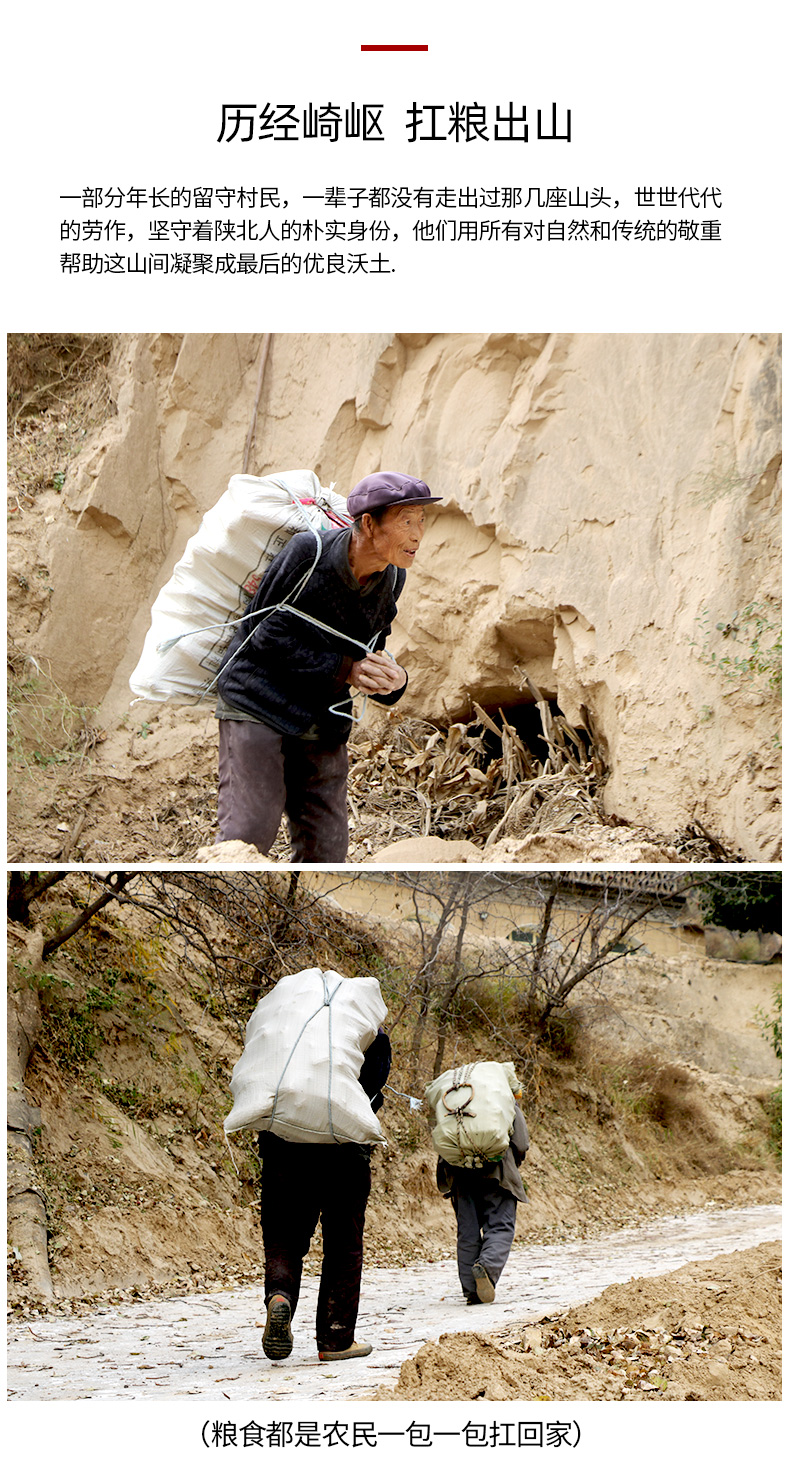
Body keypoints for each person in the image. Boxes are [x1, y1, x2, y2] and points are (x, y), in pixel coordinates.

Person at [214, 471, 440, 862]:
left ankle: (292, 918)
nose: (418, 534)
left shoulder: (392, 580)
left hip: (322, 716)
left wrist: (392, 679)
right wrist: (346, 670)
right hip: (257, 701)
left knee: (328, 849)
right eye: (406, 521)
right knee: (248, 832)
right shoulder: (309, 553)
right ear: (369, 523)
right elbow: (262, 633)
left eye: (421, 520)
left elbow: (369, 650)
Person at [259, 1027, 391, 1362]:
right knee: (343, 1246)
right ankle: (336, 1340)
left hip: (283, 1148)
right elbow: (375, 1085)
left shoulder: (287, 1027)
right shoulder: (366, 1030)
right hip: (345, 1151)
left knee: (284, 1240)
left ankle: (280, 1298)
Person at [437, 1103, 529, 1304]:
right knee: (500, 1226)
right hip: (497, 1170)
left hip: (460, 1171)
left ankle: (471, 1291)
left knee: (468, 1231)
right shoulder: (502, 1096)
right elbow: (521, 1143)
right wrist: (512, 1162)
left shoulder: (455, 1097)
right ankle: (485, 1269)